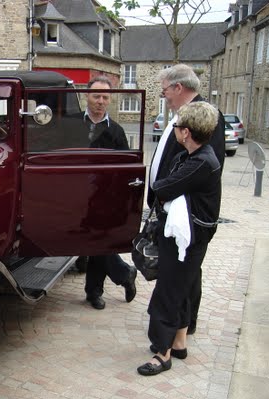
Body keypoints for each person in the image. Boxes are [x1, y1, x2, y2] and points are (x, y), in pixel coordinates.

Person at [138, 101, 222, 376]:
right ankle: (180, 342)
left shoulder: (200, 162)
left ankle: (162, 353)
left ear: (186, 132)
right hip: (186, 236)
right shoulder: (191, 157)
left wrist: (165, 189)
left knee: (168, 291)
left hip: (188, 239)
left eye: (177, 126)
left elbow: (162, 188)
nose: (174, 130)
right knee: (182, 288)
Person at [149, 64, 225, 334]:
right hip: (172, 208)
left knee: (186, 273)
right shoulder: (180, 114)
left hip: (188, 217)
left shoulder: (204, 115)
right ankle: (180, 327)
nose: (164, 95)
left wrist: (165, 190)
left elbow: (203, 170)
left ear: (178, 87)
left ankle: (184, 324)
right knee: (182, 273)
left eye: (165, 90)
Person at [75, 76, 137, 310]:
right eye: (96, 96)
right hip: (76, 197)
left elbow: (124, 171)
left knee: (97, 243)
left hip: (104, 199)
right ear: (86, 96)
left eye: (105, 97)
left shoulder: (117, 132)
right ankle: (124, 274)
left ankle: (94, 292)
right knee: (93, 243)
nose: (100, 101)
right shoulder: (72, 125)